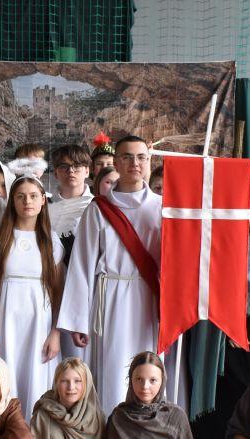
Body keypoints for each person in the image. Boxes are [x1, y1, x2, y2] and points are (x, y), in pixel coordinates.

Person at [58, 136, 176, 413]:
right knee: (113, 368)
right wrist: (78, 319)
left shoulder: (163, 208)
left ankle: (147, 426)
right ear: (116, 162)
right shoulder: (98, 209)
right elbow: (82, 264)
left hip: (148, 298)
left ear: (149, 161)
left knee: (147, 365)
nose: (135, 163)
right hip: (109, 297)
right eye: (127, 157)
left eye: (141, 157)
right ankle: (112, 424)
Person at [186, 176, 250, 439]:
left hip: (246, 334)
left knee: (240, 396)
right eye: (247, 202)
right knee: (210, 393)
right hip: (210, 330)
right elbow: (202, 280)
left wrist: (245, 330)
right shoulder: (216, 235)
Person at [0, 175, 64, 419]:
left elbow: (58, 292)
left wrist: (55, 333)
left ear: (43, 201)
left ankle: (34, 433)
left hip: (39, 322)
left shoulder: (50, 241)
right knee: (4, 374)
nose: (27, 201)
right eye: (21, 196)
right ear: (12, 201)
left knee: (35, 375)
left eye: (34, 196)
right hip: (4, 319)